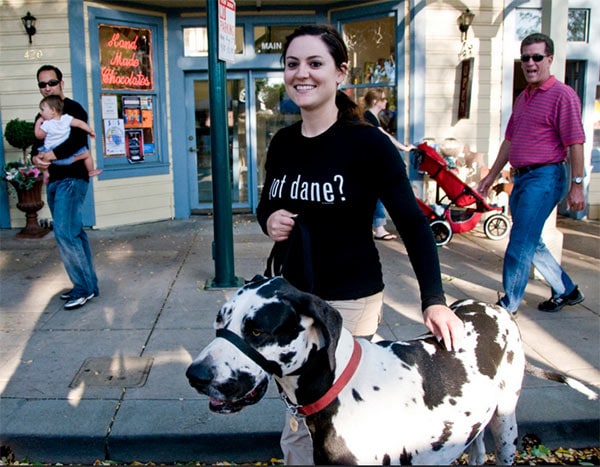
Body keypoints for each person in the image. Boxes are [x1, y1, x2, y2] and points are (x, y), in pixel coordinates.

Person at [256, 24, 464, 465]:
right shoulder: (283, 142)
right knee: (298, 411)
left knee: (335, 415)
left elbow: (412, 222)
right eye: (293, 64)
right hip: (291, 299)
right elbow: (267, 203)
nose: (302, 73)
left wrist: (434, 299)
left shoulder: (368, 144)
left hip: (348, 300)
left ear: (340, 74)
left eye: (315, 63)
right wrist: (269, 219)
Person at [477, 33, 585, 314]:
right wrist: (491, 177)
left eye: (537, 57)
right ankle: (566, 290)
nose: (530, 63)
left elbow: (575, 141)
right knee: (530, 240)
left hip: (545, 177)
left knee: (519, 242)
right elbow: (510, 141)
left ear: (549, 59)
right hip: (522, 178)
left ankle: (508, 305)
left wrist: (577, 184)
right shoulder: (523, 97)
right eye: (525, 57)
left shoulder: (563, 95)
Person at [31, 65, 99, 310]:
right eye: (42, 84)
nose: (47, 87)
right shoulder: (43, 113)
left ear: (61, 83)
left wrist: (49, 154)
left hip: (72, 178)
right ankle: (89, 284)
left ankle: (82, 289)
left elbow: (77, 141)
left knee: (64, 233)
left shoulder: (73, 109)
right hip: (55, 180)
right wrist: (36, 159)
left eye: (51, 82)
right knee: (74, 232)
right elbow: (35, 144)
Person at [362, 88, 415, 241]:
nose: (386, 101)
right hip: (368, 163)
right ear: (374, 101)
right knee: (376, 193)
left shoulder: (373, 117)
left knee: (372, 194)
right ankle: (379, 228)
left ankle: (375, 227)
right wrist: (404, 148)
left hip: (368, 161)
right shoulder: (368, 117)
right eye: (383, 99)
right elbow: (384, 137)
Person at [35, 95, 102, 185]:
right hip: (66, 155)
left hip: (52, 155)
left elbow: (39, 136)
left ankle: (46, 173)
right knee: (87, 154)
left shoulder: (46, 124)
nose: (40, 113)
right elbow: (80, 123)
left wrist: (38, 123)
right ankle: (91, 170)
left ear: (52, 110)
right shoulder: (66, 118)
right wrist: (90, 131)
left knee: (42, 156)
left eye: (42, 110)